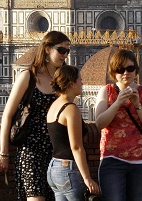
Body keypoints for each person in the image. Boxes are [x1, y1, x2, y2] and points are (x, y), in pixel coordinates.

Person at [0, 30, 70, 201]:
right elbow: (7, 114)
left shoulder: (63, 80)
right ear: (47, 49)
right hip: (31, 152)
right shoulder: (28, 77)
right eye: (61, 50)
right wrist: (3, 153)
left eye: (67, 51)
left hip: (57, 154)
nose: (65, 55)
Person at [94, 49, 142, 201]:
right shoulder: (106, 91)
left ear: (136, 70)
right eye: (120, 70)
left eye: (130, 69)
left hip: (141, 161)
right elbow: (99, 123)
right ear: (114, 73)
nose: (126, 73)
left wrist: (137, 105)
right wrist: (117, 103)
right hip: (112, 159)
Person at [46, 65, 99, 200]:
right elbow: (76, 147)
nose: (82, 84)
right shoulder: (71, 109)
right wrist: (87, 178)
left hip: (54, 167)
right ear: (71, 84)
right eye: (80, 80)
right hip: (68, 169)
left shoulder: (54, 105)